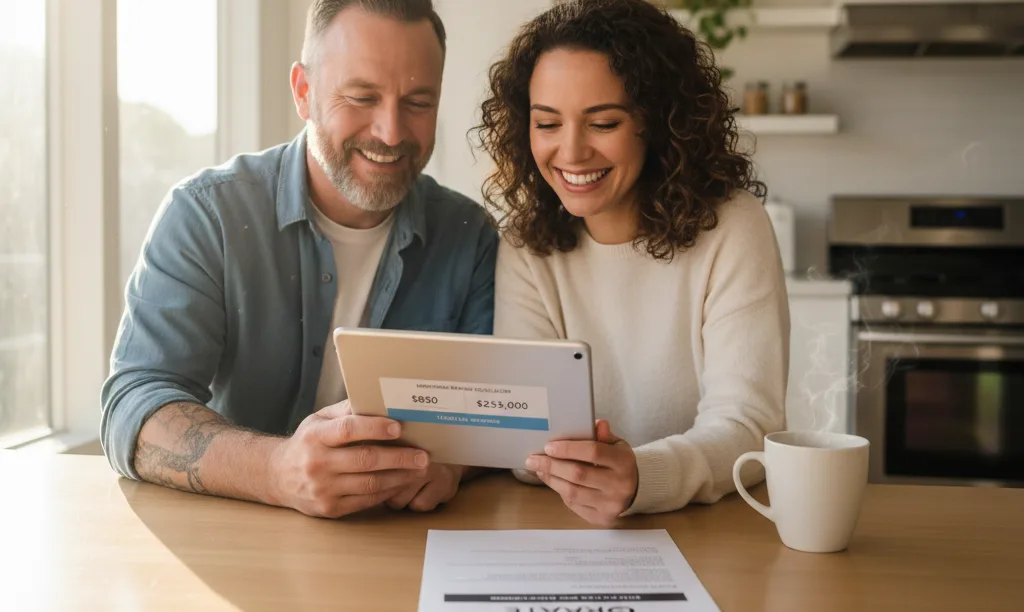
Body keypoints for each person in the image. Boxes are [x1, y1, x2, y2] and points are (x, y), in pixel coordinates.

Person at [101, 0, 497, 519]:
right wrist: (276, 469)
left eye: (418, 102)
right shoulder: (206, 215)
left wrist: (454, 464)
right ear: (303, 92)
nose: (392, 131)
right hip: (235, 547)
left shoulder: (470, 237)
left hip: (403, 547)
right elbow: (133, 407)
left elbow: (495, 413)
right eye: (361, 97)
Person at [475, 0, 789, 526]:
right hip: (564, 528)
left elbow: (749, 422)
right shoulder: (527, 247)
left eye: (603, 122)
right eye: (547, 123)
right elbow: (524, 441)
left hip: (711, 529)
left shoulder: (733, 227)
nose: (571, 152)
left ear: (659, 122)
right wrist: (578, 468)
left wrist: (642, 476)